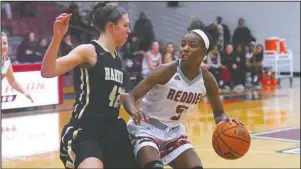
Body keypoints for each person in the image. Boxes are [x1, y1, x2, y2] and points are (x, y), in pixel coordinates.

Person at [122, 17, 243, 168]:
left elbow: (219, 113)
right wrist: (134, 111)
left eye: (192, 45)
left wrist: (226, 122)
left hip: (174, 133)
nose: (185, 48)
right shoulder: (166, 71)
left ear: (204, 51)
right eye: (183, 44)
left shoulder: (207, 80)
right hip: (146, 128)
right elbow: (129, 96)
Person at [40, 2, 137, 168]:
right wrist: (57, 38)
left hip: (113, 130)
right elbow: (48, 71)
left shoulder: (117, 58)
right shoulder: (89, 51)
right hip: (86, 131)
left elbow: (114, 94)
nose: (129, 30)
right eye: (125, 25)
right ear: (111, 27)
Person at [1, 32, 33, 103]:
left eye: (5, 43)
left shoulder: (6, 61)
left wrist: (25, 92)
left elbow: (12, 81)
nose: (3, 46)